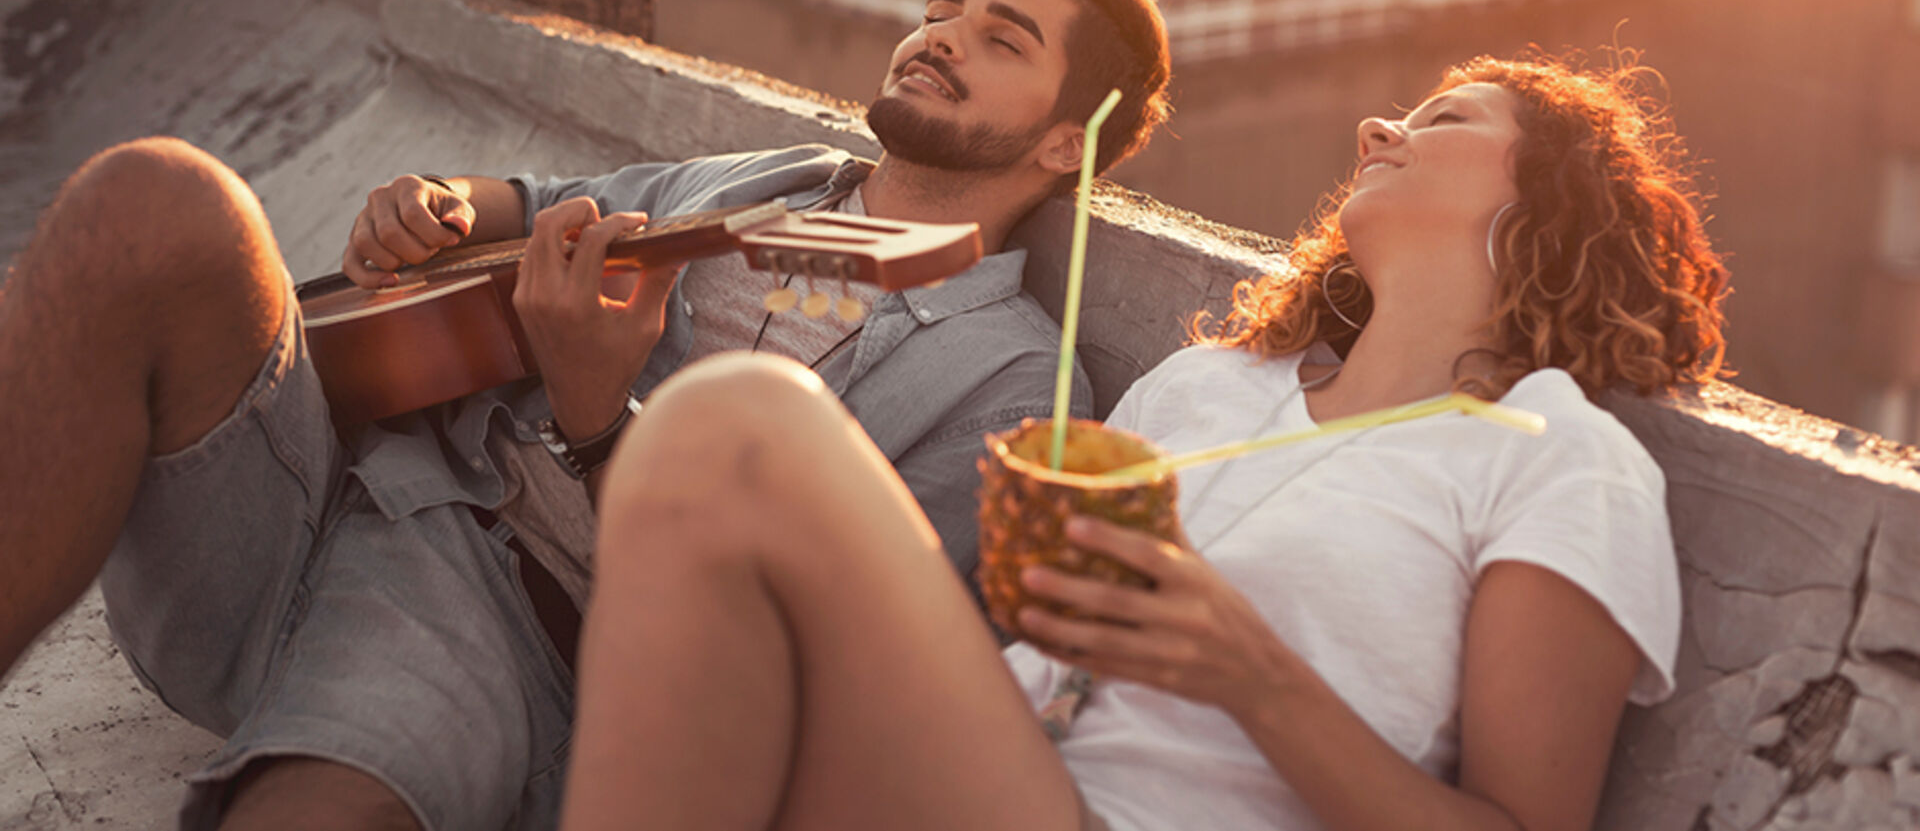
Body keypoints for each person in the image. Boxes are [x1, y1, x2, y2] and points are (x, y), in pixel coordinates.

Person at [0, 0, 1170, 831]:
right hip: (343, 478)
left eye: (998, 37)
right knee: (156, 196)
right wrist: (436, 205)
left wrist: (602, 416)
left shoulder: (1009, 388)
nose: (939, 38)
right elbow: (540, 200)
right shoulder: (762, 179)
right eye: (943, 8)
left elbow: (817, 683)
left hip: (515, 619)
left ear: (1069, 138)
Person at [556, 52, 1729, 831]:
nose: (1380, 124)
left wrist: (1249, 670)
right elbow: (1024, 643)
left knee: (738, 423)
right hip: (988, 768)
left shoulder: (1557, 456)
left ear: (1544, 206)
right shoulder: (1205, 385)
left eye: (1446, 119)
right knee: (716, 447)